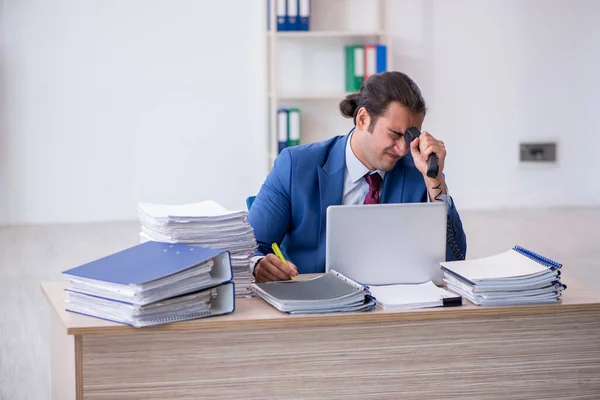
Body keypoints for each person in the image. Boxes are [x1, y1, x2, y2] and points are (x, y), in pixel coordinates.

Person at [247, 71, 467, 283]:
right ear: (362, 119)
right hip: (313, 304)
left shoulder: (419, 173)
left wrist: (435, 180)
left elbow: (453, 261)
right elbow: (250, 247)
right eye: (394, 134)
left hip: (391, 306)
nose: (402, 149)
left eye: (410, 137)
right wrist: (258, 265)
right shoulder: (295, 166)